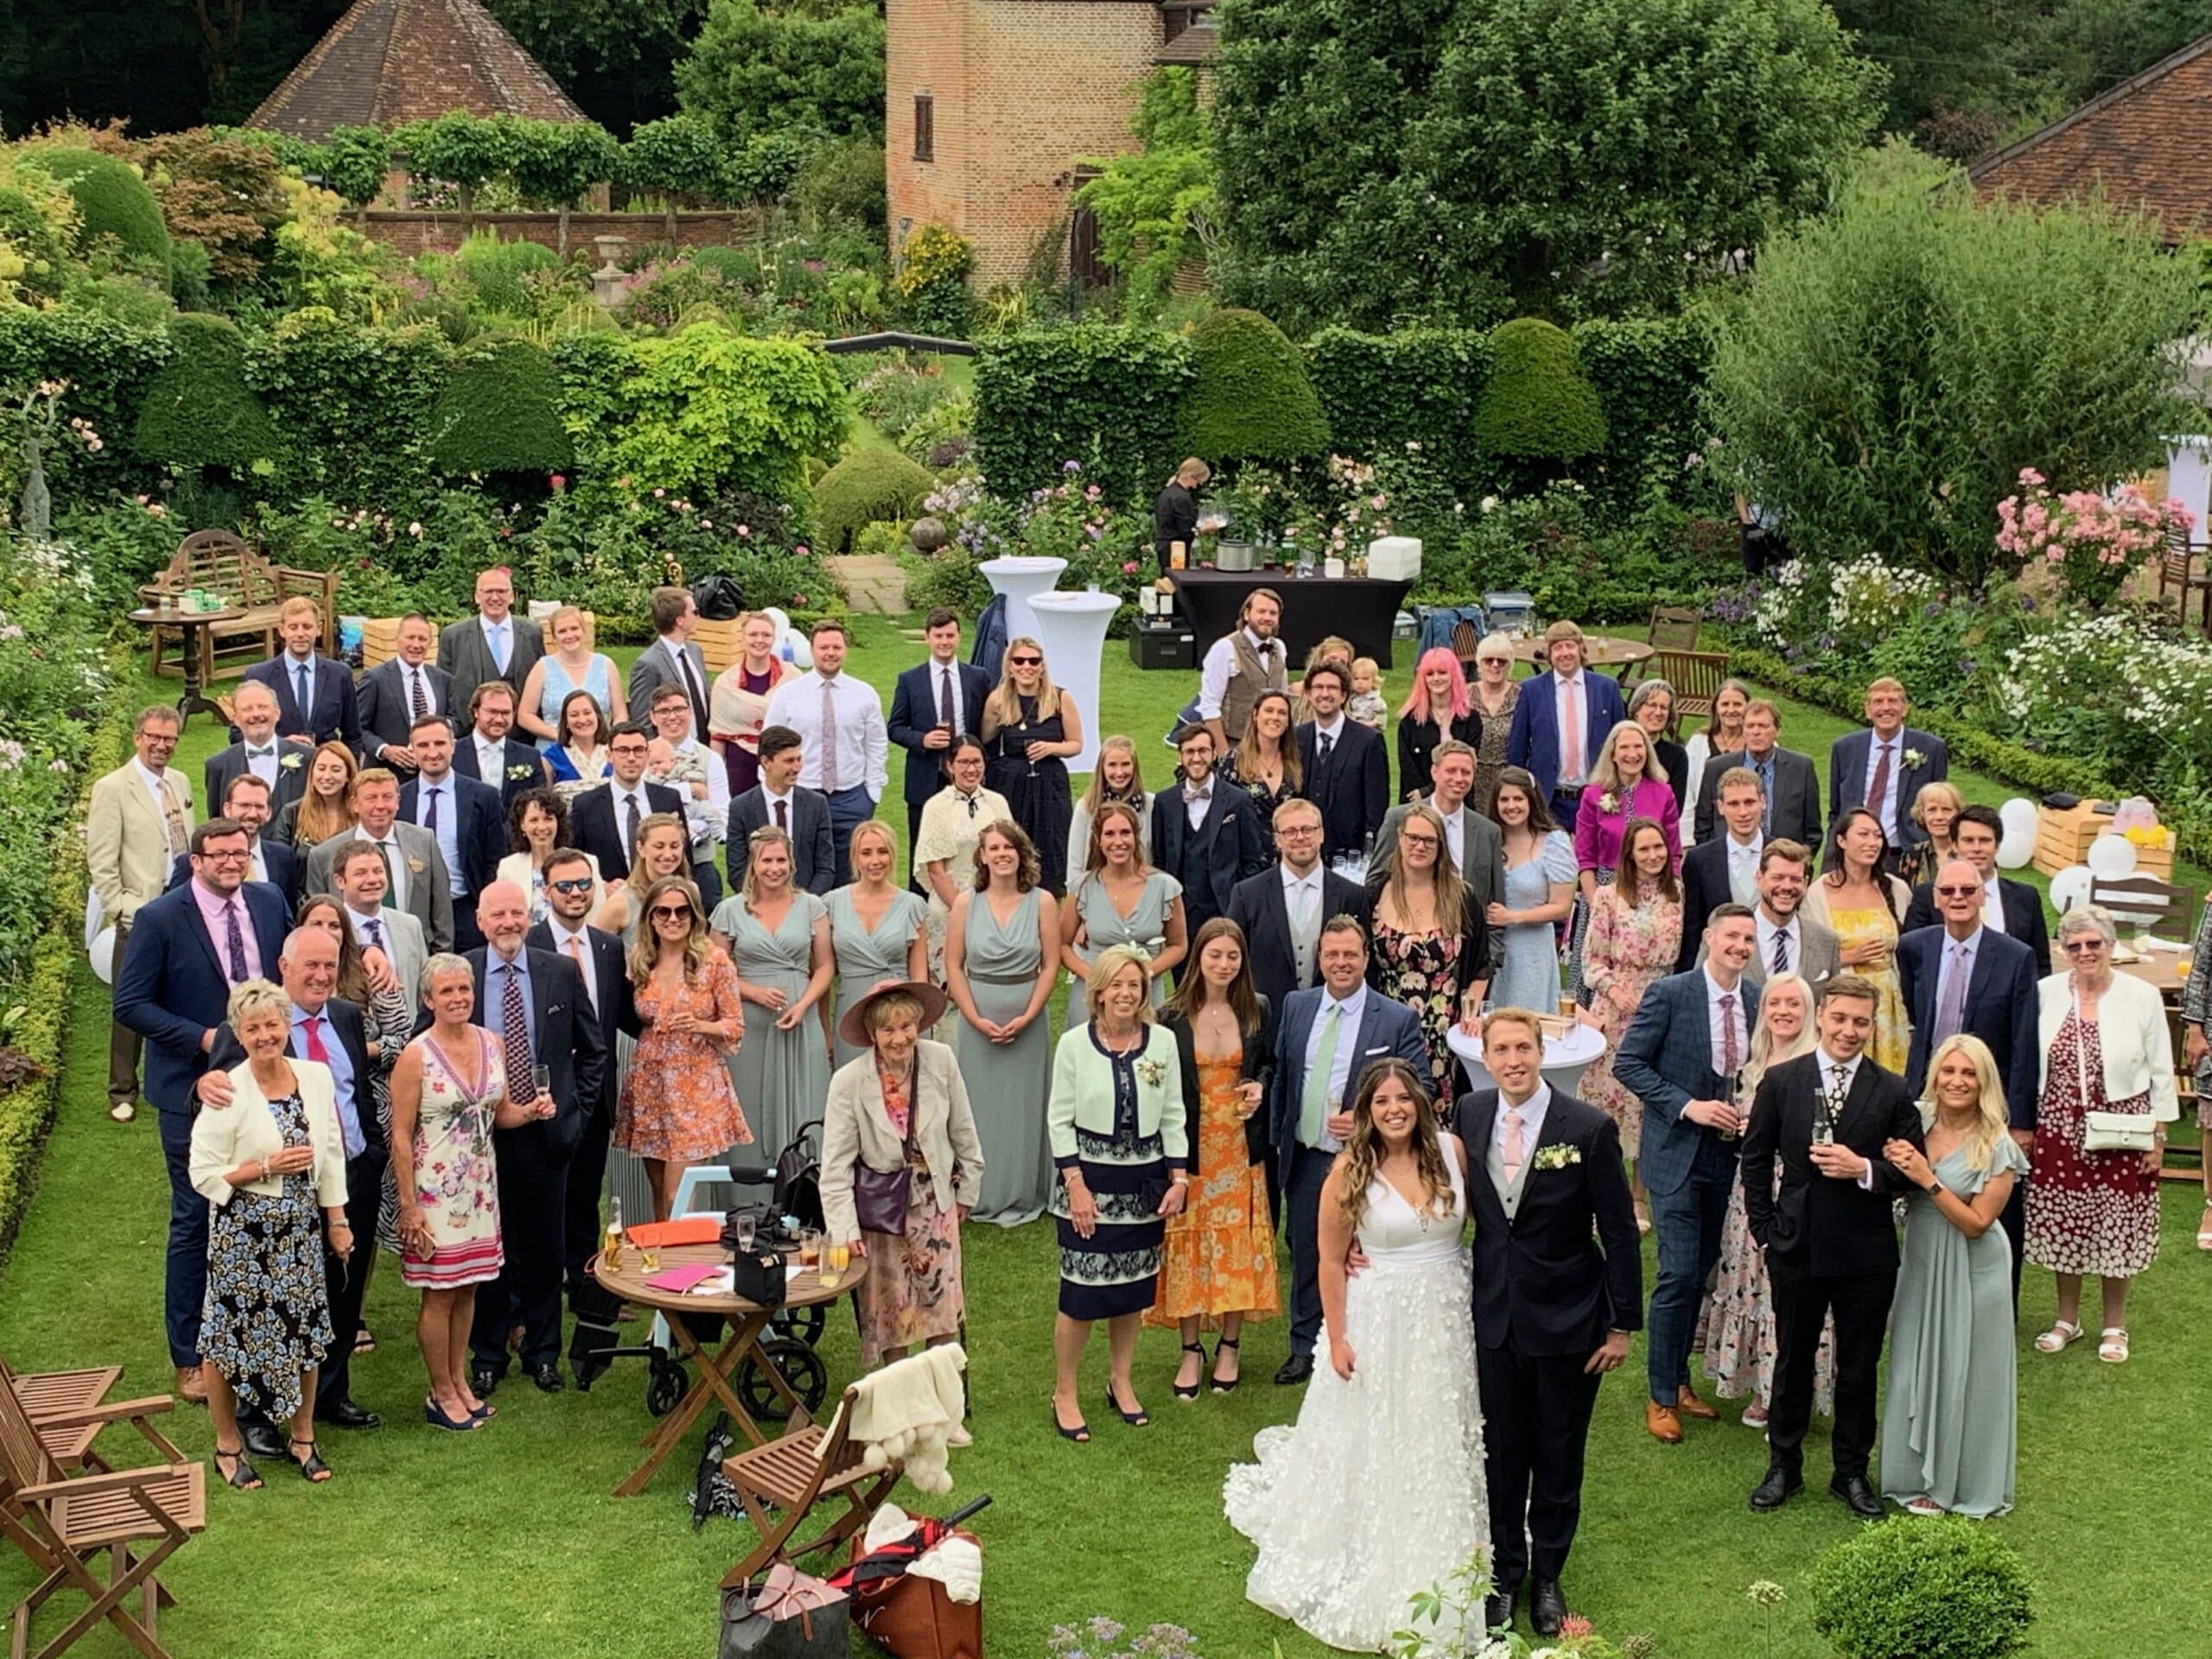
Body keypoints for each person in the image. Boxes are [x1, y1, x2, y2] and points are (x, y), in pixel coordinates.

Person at [1226, 1057, 1483, 1649]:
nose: (1394, 1110)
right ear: (1366, 1111)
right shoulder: (1348, 1170)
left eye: (1403, 1098)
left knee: (1437, 1425)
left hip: (1446, 1316)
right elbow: (1328, 1260)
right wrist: (1338, 1338)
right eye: (1381, 1101)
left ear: (1420, 1103)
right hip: (1378, 1318)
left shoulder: (1451, 1152)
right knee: (1379, 1428)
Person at [1452, 1010, 1640, 1637]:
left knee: (1558, 1454)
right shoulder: (1470, 1113)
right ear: (1486, 1057)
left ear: (1541, 1052)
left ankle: (1549, 1575)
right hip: (1495, 1317)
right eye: (1502, 1050)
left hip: (1570, 1319)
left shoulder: (1586, 1128)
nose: (1513, 1061)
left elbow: (1619, 1231)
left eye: (1523, 1049)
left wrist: (1620, 1325)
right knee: (1503, 1454)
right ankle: (1506, 1573)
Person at [113, 820, 293, 1401]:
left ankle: (263, 1335)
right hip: (192, 1090)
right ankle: (189, 1355)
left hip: (265, 1083)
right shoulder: (160, 919)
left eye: (240, 853)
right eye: (218, 854)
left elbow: (290, 972)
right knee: (196, 1218)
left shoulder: (268, 901)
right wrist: (204, 1039)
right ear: (196, 861)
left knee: (268, 1205)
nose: (231, 862)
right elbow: (131, 1003)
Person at [1741, 975, 1925, 1518]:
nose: (1849, 1030)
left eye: (1860, 1022)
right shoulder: (1783, 1081)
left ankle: (1851, 1471)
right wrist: (1765, 1231)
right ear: (1821, 1015)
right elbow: (1755, 1159)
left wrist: (1863, 1168)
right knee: (1793, 1360)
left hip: (1866, 1252)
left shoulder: (1891, 1089)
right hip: (1796, 1244)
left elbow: (1912, 1169)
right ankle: (1784, 1465)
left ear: (1872, 1027)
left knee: (1859, 1366)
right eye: (1840, 1018)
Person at [195, 927, 382, 1433]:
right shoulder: (250, 1027)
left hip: (346, 1175)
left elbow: (353, 1094)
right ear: (285, 967)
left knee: (332, 1300)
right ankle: (257, 1416)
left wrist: (368, 1156)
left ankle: (329, 1395)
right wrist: (202, 1083)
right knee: (265, 1310)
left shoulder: (345, 1016)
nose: (321, 975)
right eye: (310, 966)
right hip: (263, 1204)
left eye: (330, 966)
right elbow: (216, 1098)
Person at [189, 976, 351, 1488]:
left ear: (287, 1025)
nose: (265, 1036)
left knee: (305, 1330)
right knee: (226, 1340)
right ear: (239, 1034)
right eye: (253, 1028)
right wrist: (264, 1167)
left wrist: (337, 1220)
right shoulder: (227, 1089)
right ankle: (228, 1445)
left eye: (272, 1025)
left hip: (298, 1229)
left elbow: (330, 1152)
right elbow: (202, 1172)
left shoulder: (315, 1077)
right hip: (242, 1233)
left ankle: (303, 1438)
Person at [1612, 904, 1759, 1442]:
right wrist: (1687, 1106)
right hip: (1676, 1154)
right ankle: (1659, 1396)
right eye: (1732, 936)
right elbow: (1629, 1063)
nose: (1740, 946)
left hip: (1729, 1159)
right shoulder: (1671, 994)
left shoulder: (1755, 999)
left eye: (1748, 939)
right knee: (1675, 1274)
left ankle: (1678, 1382)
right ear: (1709, 938)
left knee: (1700, 1272)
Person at [459, 881, 607, 1397]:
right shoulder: (462, 972)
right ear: (480, 920)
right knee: (489, 1250)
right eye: (497, 914)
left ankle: (543, 1354)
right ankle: (488, 1355)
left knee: (547, 1250)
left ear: (530, 916)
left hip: (547, 1135)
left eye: (516, 913)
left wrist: (575, 1111)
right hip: (482, 1138)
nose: (508, 923)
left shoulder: (559, 971)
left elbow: (593, 1050)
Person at [1268, 915, 1429, 1384]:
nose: (1341, 963)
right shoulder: (1297, 1005)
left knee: (1365, 1254)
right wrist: (1279, 1139)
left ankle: (1363, 1337)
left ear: (1365, 958)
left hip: (1370, 1161)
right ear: (1320, 959)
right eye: (1332, 955)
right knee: (1307, 1251)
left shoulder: (1395, 1018)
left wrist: (1364, 1121)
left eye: (1350, 955)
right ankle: (1305, 1346)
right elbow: (1283, 1074)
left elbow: (1419, 1086)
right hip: (1306, 1156)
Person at [1879, 1034, 2026, 1516]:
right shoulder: (1914, 1121)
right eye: (1949, 1071)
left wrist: (1928, 1178)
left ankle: (1959, 1485)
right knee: (1911, 1364)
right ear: (1935, 1076)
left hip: (1975, 1265)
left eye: (1969, 1074)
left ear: (1984, 1083)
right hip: (1921, 1257)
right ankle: (1910, 1473)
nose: (1957, 1082)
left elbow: (1978, 1223)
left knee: (1969, 1371)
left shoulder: (1997, 1143)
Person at [1047, 947, 1191, 1438]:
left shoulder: (1163, 1042)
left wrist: (1179, 1179)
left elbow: (1173, 1113)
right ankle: (1065, 1391)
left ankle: (1121, 1380)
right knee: (1081, 1293)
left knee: (1133, 1290)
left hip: (1142, 1185)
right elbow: (1059, 1119)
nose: (1126, 994)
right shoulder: (1074, 1044)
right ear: (1100, 992)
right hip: (1088, 1183)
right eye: (1117, 985)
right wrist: (1076, 1185)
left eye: (1135, 985)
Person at [2025, 905, 2177, 1365]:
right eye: (2075, 946)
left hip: (2123, 1126)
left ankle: (2115, 1324)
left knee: (2116, 1224)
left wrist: (2159, 1136)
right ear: (2063, 950)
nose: (2085, 952)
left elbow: (2161, 1069)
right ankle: (2067, 1319)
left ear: (2111, 945)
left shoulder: (2142, 995)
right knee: (2065, 1221)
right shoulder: (2046, 991)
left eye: (2094, 943)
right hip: (2058, 1124)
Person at [1897, 858, 2039, 1300]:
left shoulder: (2015, 956)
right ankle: (1927, 1296)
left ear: (1982, 896)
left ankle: (1998, 1302)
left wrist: (2021, 1121)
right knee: (1927, 1191)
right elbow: (1917, 1014)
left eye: (1967, 890)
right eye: (1948, 891)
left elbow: (2024, 1039)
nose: (1958, 898)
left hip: (1990, 1099)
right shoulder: (1914, 947)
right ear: (1935, 899)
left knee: (1996, 1206)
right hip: (1931, 1093)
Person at [821, 981, 983, 1368]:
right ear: (872, 1034)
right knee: (893, 1313)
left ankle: (940, 1394)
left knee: (940, 1308)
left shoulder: (941, 1060)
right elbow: (835, 1167)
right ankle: (900, 1395)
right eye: (888, 1030)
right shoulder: (848, 1082)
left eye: (907, 1026)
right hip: (883, 1214)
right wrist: (845, 1230)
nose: (899, 1038)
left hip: (935, 1205)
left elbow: (964, 1131)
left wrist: (967, 1192)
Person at [1152, 918, 1280, 1395]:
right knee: (1188, 1243)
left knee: (1235, 1246)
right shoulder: (1170, 1015)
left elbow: (1269, 1064)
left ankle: (1230, 1343)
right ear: (1198, 958)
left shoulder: (1257, 1009)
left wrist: (1258, 1086)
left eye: (1232, 956)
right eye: (1215, 955)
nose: (1224, 965)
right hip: (1191, 1149)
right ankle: (1190, 1349)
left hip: (1241, 1150)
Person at [388, 954, 512, 1431]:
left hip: (480, 1191)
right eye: (447, 991)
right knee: (440, 1294)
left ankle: (459, 1381)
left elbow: (499, 1113)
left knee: (469, 1288)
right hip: (434, 1193)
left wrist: (533, 1111)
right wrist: (409, 1206)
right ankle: (439, 1392)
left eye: (464, 989)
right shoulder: (415, 1056)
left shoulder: (492, 1043)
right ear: (428, 999)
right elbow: (400, 1135)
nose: (458, 998)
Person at [1698, 973, 1827, 1430]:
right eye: (1775, 1003)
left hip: (1795, 1189)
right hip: (1749, 1190)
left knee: (1785, 1290)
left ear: (1809, 1012)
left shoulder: (1815, 1065)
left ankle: (1784, 1393)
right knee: (1749, 1284)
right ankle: (1757, 1383)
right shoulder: (1754, 1064)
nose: (1783, 1012)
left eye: (1794, 1004)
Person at [527, 846, 639, 1298]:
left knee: (587, 1192)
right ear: (546, 891)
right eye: (565, 886)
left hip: (595, 1088)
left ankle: (585, 1284)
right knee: (542, 1195)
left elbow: (624, 1015)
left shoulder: (609, 948)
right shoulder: (531, 945)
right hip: (543, 1090)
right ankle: (537, 1291)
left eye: (583, 884)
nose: (575, 893)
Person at [618, 874, 749, 1218]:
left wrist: (701, 1025)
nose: (673, 919)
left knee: (678, 1194)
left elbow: (735, 1025)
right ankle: (661, 1253)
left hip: (694, 1085)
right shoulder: (640, 959)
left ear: (694, 916)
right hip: (650, 1084)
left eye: (682, 911)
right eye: (663, 911)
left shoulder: (714, 961)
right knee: (658, 1189)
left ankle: (685, 1252)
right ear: (650, 916)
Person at [945, 820, 1058, 1223]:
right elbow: (954, 966)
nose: (1002, 855)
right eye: (994, 848)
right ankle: (977, 1190)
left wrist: (1029, 1015)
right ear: (982, 856)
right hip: (978, 1019)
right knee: (978, 1108)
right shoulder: (966, 904)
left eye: (1009, 847)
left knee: (1024, 1107)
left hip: (1027, 1018)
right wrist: (974, 1018)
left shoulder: (1043, 902)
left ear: (1021, 852)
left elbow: (1051, 965)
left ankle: (1024, 1189)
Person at [1577, 821, 1684, 1225]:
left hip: (1663, 1005)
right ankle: (1602, 1195)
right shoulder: (1608, 896)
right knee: (1608, 1101)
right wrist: (1615, 990)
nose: (1654, 856)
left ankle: (1639, 1198)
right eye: (1644, 849)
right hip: (1616, 1007)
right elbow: (1591, 961)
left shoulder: (1678, 893)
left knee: (1647, 1104)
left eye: (1659, 847)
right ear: (1630, 855)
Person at [90, 705, 193, 1122]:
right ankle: (122, 1091)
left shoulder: (179, 781)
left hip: (183, 907)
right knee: (130, 1003)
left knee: (182, 996)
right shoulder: (113, 788)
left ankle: (181, 1081)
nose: (162, 745)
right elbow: (101, 862)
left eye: (170, 739)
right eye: (154, 737)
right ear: (138, 738)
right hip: (141, 912)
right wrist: (121, 907)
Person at [711, 827, 833, 1159]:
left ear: (792, 863)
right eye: (767, 861)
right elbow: (714, 972)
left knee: (807, 1101)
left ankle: (804, 1181)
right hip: (750, 1023)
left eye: (781, 860)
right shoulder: (730, 910)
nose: (774, 868)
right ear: (753, 864)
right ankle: (747, 1184)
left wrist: (804, 1004)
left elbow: (825, 966)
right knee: (749, 1102)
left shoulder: (812, 907)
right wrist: (752, 992)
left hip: (801, 1019)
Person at [1364, 801, 1491, 1096]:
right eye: (1413, 838)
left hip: (1443, 1029)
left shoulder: (1461, 898)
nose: (1419, 846)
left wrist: (1470, 1013)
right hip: (1385, 1026)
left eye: (1429, 840)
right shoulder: (1375, 893)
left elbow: (1481, 964)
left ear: (1440, 846)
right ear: (1400, 838)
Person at [765, 619, 887, 888]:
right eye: (823, 648)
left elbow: (877, 743)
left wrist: (872, 792)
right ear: (812, 650)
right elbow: (770, 744)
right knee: (802, 871)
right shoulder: (788, 694)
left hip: (851, 797)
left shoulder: (864, 694)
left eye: (836, 647)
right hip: (803, 793)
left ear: (845, 650)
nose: (830, 653)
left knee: (850, 876)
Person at [1568, 720, 1681, 997]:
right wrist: (1596, 902)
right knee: (1600, 971)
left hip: (1653, 890)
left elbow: (1674, 852)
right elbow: (1585, 857)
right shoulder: (1594, 794)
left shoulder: (1663, 792)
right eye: (1625, 748)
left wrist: (1671, 896)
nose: (1632, 754)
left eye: (1638, 747)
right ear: (1613, 754)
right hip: (1605, 887)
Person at [1226, 798, 1367, 1009]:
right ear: (1277, 840)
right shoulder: (1247, 895)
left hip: (1333, 1016)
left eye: (1308, 830)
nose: (1300, 837)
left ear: (1321, 834)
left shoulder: (1353, 895)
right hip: (1266, 1019)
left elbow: (1365, 966)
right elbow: (1230, 956)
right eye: (1290, 832)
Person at [889, 607, 993, 889]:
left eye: (950, 635)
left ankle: (972, 896)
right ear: (927, 638)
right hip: (926, 775)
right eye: (938, 636)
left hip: (967, 775)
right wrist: (922, 740)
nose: (944, 642)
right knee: (924, 850)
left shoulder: (977, 677)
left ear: (959, 637)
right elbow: (895, 727)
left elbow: (987, 724)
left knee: (972, 843)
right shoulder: (910, 679)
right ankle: (922, 904)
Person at [1802, 809, 1911, 1072]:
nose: (1873, 842)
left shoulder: (1897, 889)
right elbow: (1808, 958)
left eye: (1878, 836)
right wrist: (1850, 957)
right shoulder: (1818, 893)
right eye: (1863, 834)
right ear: (1841, 840)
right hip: (1844, 1003)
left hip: (1889, 1006)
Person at [302, 766, 454, 953]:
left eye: (387, 797)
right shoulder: (324, 855)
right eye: (371, 798)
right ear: (354, 804)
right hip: (351, 957)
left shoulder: (424, 841)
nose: (380, 806)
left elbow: (442, 908)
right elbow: (318, 919)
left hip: (415, 955)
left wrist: (439, 957)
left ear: (398, 801)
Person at [1062, 800, 1187, 1023]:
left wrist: (1146, 972)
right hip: (1094, 995)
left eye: (1125, 833)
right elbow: (1062, 945)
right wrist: (1094, 976)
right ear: (1098, 840)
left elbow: (1178, 945)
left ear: (1136, 836)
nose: (1118, 842)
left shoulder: (1165, 887)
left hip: (1145, 993)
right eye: (1109, 834)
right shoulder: (1082, 887)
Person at [980, 634, 1081, 898]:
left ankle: (1052, 897)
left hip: (1049, 779)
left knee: (1052, 840)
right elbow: (984, 740)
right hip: (1012, 781)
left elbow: (1076, 744)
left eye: (1034, 661)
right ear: (1010, 666)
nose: (1027, 666)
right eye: (1020, 661)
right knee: (1013, 838)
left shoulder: (1060, 698)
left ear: (1042, 666)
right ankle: (1010, 894)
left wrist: (1051, 748)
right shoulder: (998, 700)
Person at [1149, 724, 1264, 955]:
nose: (1196, 758)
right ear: (1180, 756)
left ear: (1214, 753)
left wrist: (1239, 903)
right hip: (1180, 911)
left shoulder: (1238, 801)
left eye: (1202, 751)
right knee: (1183, 972)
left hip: (1224, 908)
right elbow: (1160, 859)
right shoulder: (1164, 802)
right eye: (1189, 752)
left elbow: (1253, 860)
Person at [1373, 741, 1507, 935]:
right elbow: (1376, 881)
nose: (1459, 779)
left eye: (1466, 772)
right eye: (1451, 771)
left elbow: (1495, 906)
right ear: (1434, 772)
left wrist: (1492, 950)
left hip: (1467, 941)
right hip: (1408, 934)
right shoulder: (1399, 819)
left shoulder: (1488, 832)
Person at [1505, 620, 1628, 830]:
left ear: (1581, 649)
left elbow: (1621, 743)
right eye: (1557, 647)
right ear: (1549, 654)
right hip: (1549, 800)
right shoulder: (1532, 691)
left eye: (1570, 646)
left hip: (1597, 796)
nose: (1564, 653)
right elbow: (1517, 748)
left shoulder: (1607, 689)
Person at [401, 713, 505, 952]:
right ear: (412, 750)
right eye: (423, 745)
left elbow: (496, 858)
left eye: (439, 743)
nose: (432, 752)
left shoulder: (484, 796)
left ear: (453, 746)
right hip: (413, 915)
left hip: (466, 911)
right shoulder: (400, 799)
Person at [829, 823, 930, 1068]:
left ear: (892, 855)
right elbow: (824, 973)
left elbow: (920, 976)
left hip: (900, 1013)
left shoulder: (913, 905)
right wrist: (824, 1030)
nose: (875, 861)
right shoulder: (831, 904)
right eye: (866, 853)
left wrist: (915, 1023)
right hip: (852, 1011)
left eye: (882, 852)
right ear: (855, 857)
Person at [1898, 804, 2050, 965]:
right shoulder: (1927, 896)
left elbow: (2040, 962)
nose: (1976, 848)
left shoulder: (2026, 897)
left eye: (1984, 841)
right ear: (1955, 846)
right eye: (1968, 841)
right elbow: (1911, 955)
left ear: (1997, 846)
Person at [913, 735, 1009, 975]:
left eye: (977, 762)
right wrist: (964, 911)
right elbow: (935, 870)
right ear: (950, 766)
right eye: (964, 762)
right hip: (950, 903)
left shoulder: (997, 803)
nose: (971, 769)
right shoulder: (936, 806)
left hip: (994, 901)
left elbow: (1010, 853)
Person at [1828, 677, 1948, 864]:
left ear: (1905, 708)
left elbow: (1939, 804)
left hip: (1907, 854)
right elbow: (1836, 811)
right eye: (1878, 702)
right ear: (1868, 710)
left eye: (1893, 701)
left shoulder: (1931, 748)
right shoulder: (1845, 748)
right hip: (1855, 853)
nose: (1886, 708)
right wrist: (1831, 858)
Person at [1486, 768, 1575, 1016]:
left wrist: (1513, 917)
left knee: (1526, 1020)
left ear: (1531, 801)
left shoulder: (1553, 842)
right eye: (1504, 799)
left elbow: (1562, 906)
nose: (1511, 806)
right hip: (1492, 948)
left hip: (1532, 950)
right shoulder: (1489, 840)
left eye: (1518, 799)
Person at [1293, 661, 1389, 868]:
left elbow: (1377, 805)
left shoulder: (1368, 741)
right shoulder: (1296, 738)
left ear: (1344, 695)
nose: (1325, 694)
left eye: (1332, 688)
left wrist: (1368, 853)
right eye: (1318, 687)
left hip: (1349, 857)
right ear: (1308, 694)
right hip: (1302, 852)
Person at [642, 683, 729, 909]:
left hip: (699, 863)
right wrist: (689, 790)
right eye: (664, 711)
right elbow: (643, 801)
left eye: (679, 709)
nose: (672, 717)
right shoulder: (642, 754)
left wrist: (690, 832)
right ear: (653, 717)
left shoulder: (710, 759)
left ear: (690, 712)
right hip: (652, 867)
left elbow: (721, 811)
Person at [1692, 698, 1821, 848]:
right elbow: (1703, 827)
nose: (1756, 732)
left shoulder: (1801, 768)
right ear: (1743, 730)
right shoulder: (1716, 768)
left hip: (1784, 860)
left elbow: (1812, 833)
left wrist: (1797, 860)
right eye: (1750, 726)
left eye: (1763, 726)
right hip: (1729, 858)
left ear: (1777, 730)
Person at [570, 723, 684, 889]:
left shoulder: (668, 799)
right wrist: (601, 887)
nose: (631, 758)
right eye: (623, 750)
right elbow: (575, 861)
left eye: (638, 750)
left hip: (663, 894)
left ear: (647, 754)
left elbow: (684, 855)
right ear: (609, 755)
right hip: (610, 898)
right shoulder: (586, 805)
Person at [1675, 766, 1766, 972]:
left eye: (1749, 802)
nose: (1743, 812)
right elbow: (1692, 930)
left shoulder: (1779, 853)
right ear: (1721, 807)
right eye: (1733, 804)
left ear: (1763, 802)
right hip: (1719, 971)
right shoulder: (1699, 860)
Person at [726, 725, 834, 896]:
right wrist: (762, 901)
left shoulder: (816, 805)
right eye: (789, 761)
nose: (797, 767)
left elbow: (826, 867)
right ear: (766, 762)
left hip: (806, 903)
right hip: (758, 904)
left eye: (798, 759)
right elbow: (737, 870)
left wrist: (807, 903)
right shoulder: (741, 808)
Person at [243, 596, 359, 752]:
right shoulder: (259, 676)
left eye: (307, 627)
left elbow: (353, 735)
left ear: (319, 629)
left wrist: (347, 764)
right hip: (278, 763)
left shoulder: (339, 675)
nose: (300, 634)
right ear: (282, 630)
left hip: (325, 764)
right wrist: (278, 744)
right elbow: (238, 734)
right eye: (293, 627)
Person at [1720, 840, 1842, 989]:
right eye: (1778, 878)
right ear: (1759, 879)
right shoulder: (1724, 935)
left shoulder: (1827, 941)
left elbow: (1834, 1000)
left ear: (1806, 883)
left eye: (1795, 879)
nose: (1787, 886)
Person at [177, 772, 297, 906]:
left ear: (268, 813)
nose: (252, 814)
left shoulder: (283, 857)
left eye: (259, 807)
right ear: (227, 809)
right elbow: (176, 909)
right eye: (244, 805)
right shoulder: (194, 861)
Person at [331, 841, 426, 1010]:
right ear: (340, 881)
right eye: (361, 873)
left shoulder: (411, 926)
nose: (372, 880)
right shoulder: (332, 929)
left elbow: (424, 989)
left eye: (378, 871)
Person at [356, 613, 452, 778]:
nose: (416, 645)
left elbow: (456, 720)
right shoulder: (375, 679)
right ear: (397, 640)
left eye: (422, 639)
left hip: (432, 775)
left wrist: (440, 731)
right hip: (387, 775)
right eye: (410, 638)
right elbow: (357, 728)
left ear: (430, 643)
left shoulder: (443, 679)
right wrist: (385, 750)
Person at [437, 566, 543, 712]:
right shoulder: (453, 636)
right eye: (488, 591)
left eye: (501, 591)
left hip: (521, 724)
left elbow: (542, 683)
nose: (495, 598)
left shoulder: (532, 633)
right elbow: (442, 688)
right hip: (470, 723)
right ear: (477, 596)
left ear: (512, 596)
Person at [709, 610, 791, 798]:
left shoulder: (792, 679)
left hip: (780, 761)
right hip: (739, 765)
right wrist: (715, 777)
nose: (759, 640)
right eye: (753, 634)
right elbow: (718, 734)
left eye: (766, 635)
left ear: (774, 638)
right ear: (743, 638)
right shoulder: (725, 683)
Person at [1197, 587, 1287, 755]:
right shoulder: (1225, 648)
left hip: (1272, 747)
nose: (1267, 618)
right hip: (1236, 745)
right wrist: (1224, 754)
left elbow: (1283, 697)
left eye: (1273, 613)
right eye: (1261, 611)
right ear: (1246, 614)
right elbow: (1209, 707)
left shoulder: (1280, 647)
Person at [496, 788, 603, 925]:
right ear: (522, 825)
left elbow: (599, 916)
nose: (542, 827)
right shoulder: (508, 867)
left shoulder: (587, 862)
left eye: (548, 819)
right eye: (534, 820)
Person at [205, 680, 308, 823]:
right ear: (235, 719)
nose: (256, 714)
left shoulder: (308, 758)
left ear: (277, 713)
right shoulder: (217, 766)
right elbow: (217, 823)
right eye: (247, 709)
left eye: (262, 707)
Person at [1218, 692, 1300, 865]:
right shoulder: (1233, 762)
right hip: (1247, 861)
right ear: (1255, 715)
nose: (1275, 717)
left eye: (1282, 713)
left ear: (1288, 722)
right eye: (1269, 711)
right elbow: (1220, 815)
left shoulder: (1297, 762)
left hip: (1289, 860)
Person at [1067, 734, 1154, 890]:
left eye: (1125, 764)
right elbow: (1075, 863)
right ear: (1102, 767)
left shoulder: (1150, 804)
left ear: (1134, 767)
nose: (1119, 772)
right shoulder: (1086, 807)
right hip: (1096, 891)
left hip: (1141, 889)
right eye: (1112, 765)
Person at [625, 584, 709, 741]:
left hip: (702, 745)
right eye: (694, 612)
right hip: (670, 748)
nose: (698, 617)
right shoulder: (648, 664)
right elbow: (642, 720)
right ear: (680, 620)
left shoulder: (694, 651)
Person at [452, 680, 549, 810]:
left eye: (506, 713)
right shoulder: (453, 753)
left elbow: (539, 805)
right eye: (492, 712)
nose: (499, 719)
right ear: (476, 711)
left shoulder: (530, 756)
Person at [1680, 679, 1750, 848]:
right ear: (1716, 708)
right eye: (1725, 704)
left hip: (1747, 829)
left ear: (1748, 707)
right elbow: (1688, 793)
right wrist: (1688, 840)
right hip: (1707, 831)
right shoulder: (1699, 742)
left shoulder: (1758, 744)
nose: (1731, 710)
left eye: (1737, 704)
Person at [1463, 634, 1521, 812]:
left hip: (1508, 777)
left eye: (1501, 661)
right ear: (1479, 663)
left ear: (1509, 665)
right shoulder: (1464, 694)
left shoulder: (1521, 696)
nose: (1495, 665)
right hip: (1471, 777)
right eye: (1489, 660)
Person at [275, 741, 359, 861]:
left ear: (348, 776)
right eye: (321, 769)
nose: (326, 776)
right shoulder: (291, 813)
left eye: (335, 770)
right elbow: (280, 862)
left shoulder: (360, 814)